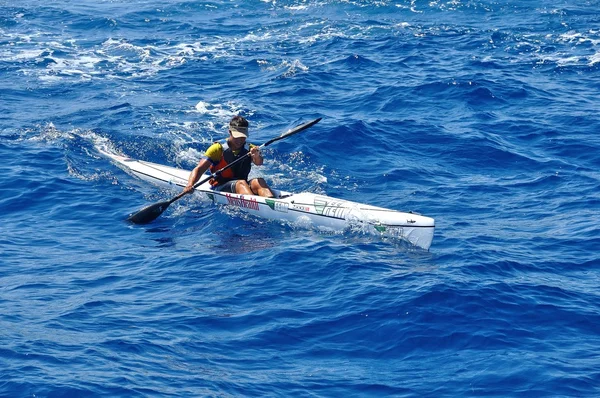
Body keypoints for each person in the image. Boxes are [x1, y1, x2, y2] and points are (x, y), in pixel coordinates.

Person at [183, 115, 274, 197]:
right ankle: (256, 205)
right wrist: (190, 185)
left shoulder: (251, 149)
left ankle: (271, 203)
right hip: (220, 187)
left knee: (259, 181)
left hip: (242, 186)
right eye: (237, 136)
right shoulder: (217, 149)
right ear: (230, 132)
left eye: (243, 137)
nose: (240, 140)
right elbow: (199, 169)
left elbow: (259, 163)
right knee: (241, 183)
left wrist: (257, 155)